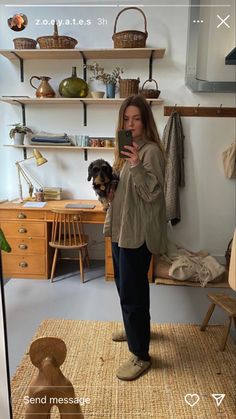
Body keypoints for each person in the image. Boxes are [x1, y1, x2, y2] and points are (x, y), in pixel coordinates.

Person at [104, 95, 167, 381]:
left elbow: (153, 196)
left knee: (133, 293)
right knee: (125, 287)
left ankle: (141, 355)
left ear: (145, 121)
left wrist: (137, 165)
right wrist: (109, 193)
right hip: (120, 230)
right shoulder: (125, 152)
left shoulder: (151, 152)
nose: (131, 124)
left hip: (137, 235)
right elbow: (126, 195)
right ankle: (137, 330)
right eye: (126, 119)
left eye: (136, 119)